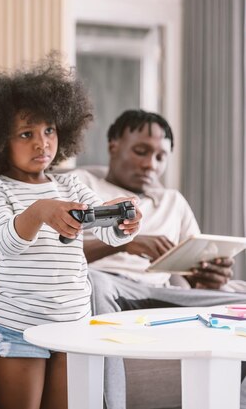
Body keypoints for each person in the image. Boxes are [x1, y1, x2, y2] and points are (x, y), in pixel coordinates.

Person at [0, 57, 142, 409]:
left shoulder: (70, 183)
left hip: (73, 325)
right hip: (18, 327)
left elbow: (106, 233)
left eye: (49, 130)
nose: (42, 143)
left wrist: (125, 222)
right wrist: (40, 210)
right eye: (26, 134)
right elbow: (5, 241)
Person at [74, 109, 246, 409]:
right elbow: (60, 250)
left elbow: (193, 265)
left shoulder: (173, 201)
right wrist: (124, 244)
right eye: (141, 151)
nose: (149, 164)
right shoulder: (80, 184)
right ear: (113, 144)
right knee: (92, 283)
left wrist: (209, 275)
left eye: (160, 157)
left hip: (158, 294)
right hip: (106, 285)